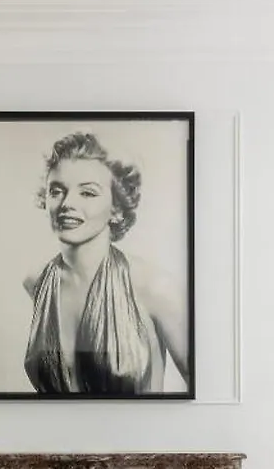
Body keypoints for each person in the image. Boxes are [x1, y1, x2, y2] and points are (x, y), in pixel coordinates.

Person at [20, 132, 190, 394]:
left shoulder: (155, 288)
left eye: (87, 193)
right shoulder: (37, 282)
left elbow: (209, 389)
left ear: (117, 209)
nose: (67, 204)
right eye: (56, 191)